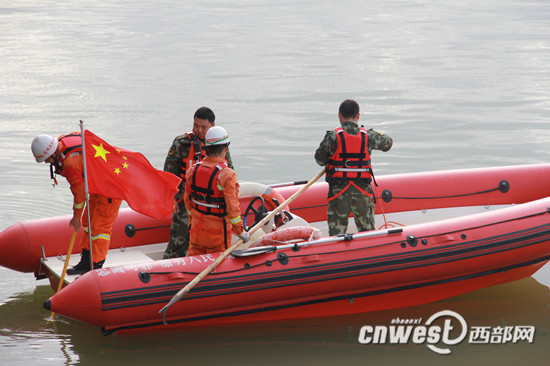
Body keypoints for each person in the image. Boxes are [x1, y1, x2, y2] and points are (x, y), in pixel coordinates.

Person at [31, 133, 122, 274]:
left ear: (52, 153)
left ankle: (95, 268)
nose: (46, 162)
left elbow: (79, 195)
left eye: (46, 159)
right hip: (99, 185)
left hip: (111, 187)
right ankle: (86, 262)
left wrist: (76, 217)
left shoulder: (70, 164)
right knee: (88, 222)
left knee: (99, 229)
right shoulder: (61, 141)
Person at [163, 107, 233, 258]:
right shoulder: (181, 143)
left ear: (212, 126)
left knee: (211, 241)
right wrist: (172, 198)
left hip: (210, 203)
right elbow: (169, 173)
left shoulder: (219, 144)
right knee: (178, 240)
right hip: (184, 199)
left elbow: (230, 171)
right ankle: (170, 269)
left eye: (203, 127)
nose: (199, 130)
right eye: (196, 125)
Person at [315, 99, 393, 236]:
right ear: (358, 116)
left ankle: (336, 253)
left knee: (336, 235)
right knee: (367, 234)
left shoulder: (332, 137)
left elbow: (320, 160)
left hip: (339, 194)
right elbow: (388, 143)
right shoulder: (368, 136)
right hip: (363, 193)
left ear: (339, 116)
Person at [184, 126, 248, 256]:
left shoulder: (192, 170)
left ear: (207, 147)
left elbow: (187, 200)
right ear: (225, 148)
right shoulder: (227, 174)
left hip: (196, 229)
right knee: (218, 267)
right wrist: (241, 231)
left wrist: (193, 219)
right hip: (216, 233)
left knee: (195, 260)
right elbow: (232, 209)